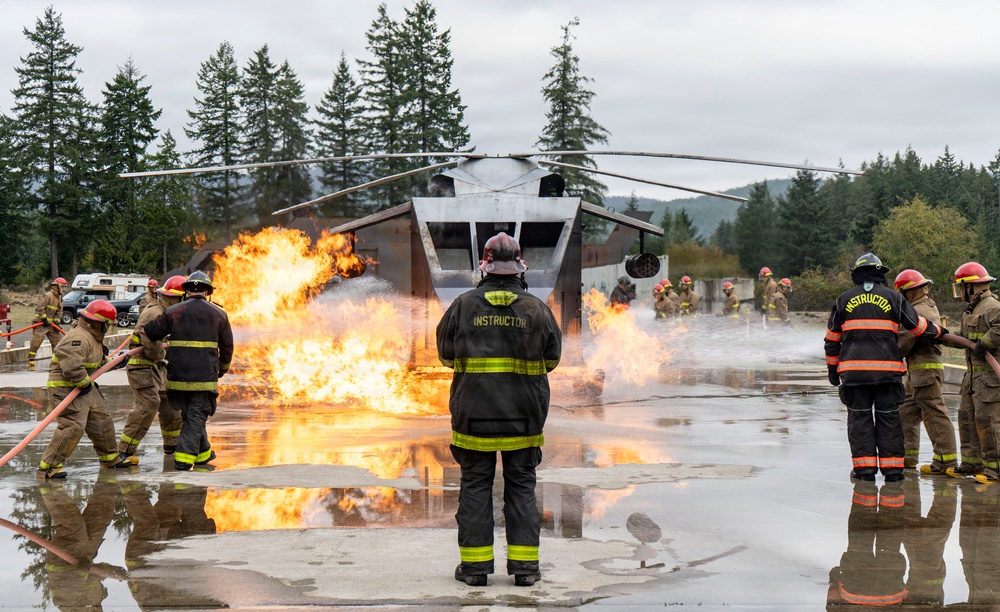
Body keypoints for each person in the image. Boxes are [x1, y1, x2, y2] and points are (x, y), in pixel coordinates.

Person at [436, 232, 562, 588]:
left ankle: (475, 570)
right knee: (521, 487)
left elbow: (446, 356)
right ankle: (525, 570)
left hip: (473, 418)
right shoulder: (537, 309)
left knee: (475, 485)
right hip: (524, 418)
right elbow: (551, 360)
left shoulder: (462, 306)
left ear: (485, 268)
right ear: (519, 268)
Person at [824, 253, 945, 483]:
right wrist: (940, 332)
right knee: (889, 420)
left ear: (856, 275)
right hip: (887, 375)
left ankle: (864, 472)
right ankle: (892, 472)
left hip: (854, 376)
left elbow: (832, 340)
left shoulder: (842, 300)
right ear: (880, 274)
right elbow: (918, 328)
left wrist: (833, 370)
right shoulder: (894, 299)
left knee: (859, 421)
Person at [144, 270, 234, 471]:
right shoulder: (219, 314)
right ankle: (183, 459)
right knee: (195, 417)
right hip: (204, 379)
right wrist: (222, 369)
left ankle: (203, 454)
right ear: (207, 292)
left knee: (192, 415)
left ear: (186, 291)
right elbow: (227, 347)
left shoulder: (173, 312)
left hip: (177, 378)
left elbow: (150, 332)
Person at [36, 299, 132, 478]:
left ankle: (110, 458)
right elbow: (72, 365)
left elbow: (97, 363)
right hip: (66, 388)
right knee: (73, 426)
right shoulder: (79, 337)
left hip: (84, 386)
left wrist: (116, 363)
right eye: (107, 324)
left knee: (101, 419)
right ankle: (48, 468)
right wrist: (83, 382)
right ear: (99, 322)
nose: (108, 327)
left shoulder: (92, 337)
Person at [893, 269, 957, 474]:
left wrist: (886, 357)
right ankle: (908, 456)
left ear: (907, 292)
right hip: (917, 372)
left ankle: (945, 461)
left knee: (933, 412)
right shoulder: (923, 305)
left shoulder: (917, 311)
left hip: (925, 370)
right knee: (907, 410)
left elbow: (903, 340)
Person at [117, 275, 187, 463]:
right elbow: (150, 342)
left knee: (171, 405)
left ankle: (172, 445)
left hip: (156, 368)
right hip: (142, 368)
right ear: (176, 297)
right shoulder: (155, 313)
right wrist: (163, 353)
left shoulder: (164, 311)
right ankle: (124, 451)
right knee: (148, 406)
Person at [946, 261, 1000, 483]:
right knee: (967, 418)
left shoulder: (992, 306)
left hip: (988, 377)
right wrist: (941, 336)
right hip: (971, 377)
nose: (959, 291)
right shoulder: (971, 310)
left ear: (970, 286)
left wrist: (985, 343)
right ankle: (971, 462)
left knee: (988, 421)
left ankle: (995, 469)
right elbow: (966, 340)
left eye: (961, 286)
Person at [28, 277, 67, 371]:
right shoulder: (47, 296)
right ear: (55, 286)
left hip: (52, 325)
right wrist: (44, 319)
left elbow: (59, 312)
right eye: (62, 287)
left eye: (64, 287)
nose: (64, 289)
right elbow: (40, 307)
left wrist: (57, 323)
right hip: (41, 323)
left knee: (58, 343)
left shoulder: (60, 298)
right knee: (36, 342)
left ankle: (56, 362)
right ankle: (31, 360)